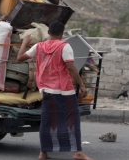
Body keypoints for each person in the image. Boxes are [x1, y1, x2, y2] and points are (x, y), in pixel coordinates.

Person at [16, 21, 95, 160]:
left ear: (48, 32)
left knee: (48, 120)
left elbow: (19, 58)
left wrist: (25, 42)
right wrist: (82, 85)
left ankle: (43, 153)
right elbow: (70, 67)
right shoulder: (65, 46)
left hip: (46, 89)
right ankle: (77, 152)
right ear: (62, 34)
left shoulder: (38, 46)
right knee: (72, 119)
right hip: (64, 89)